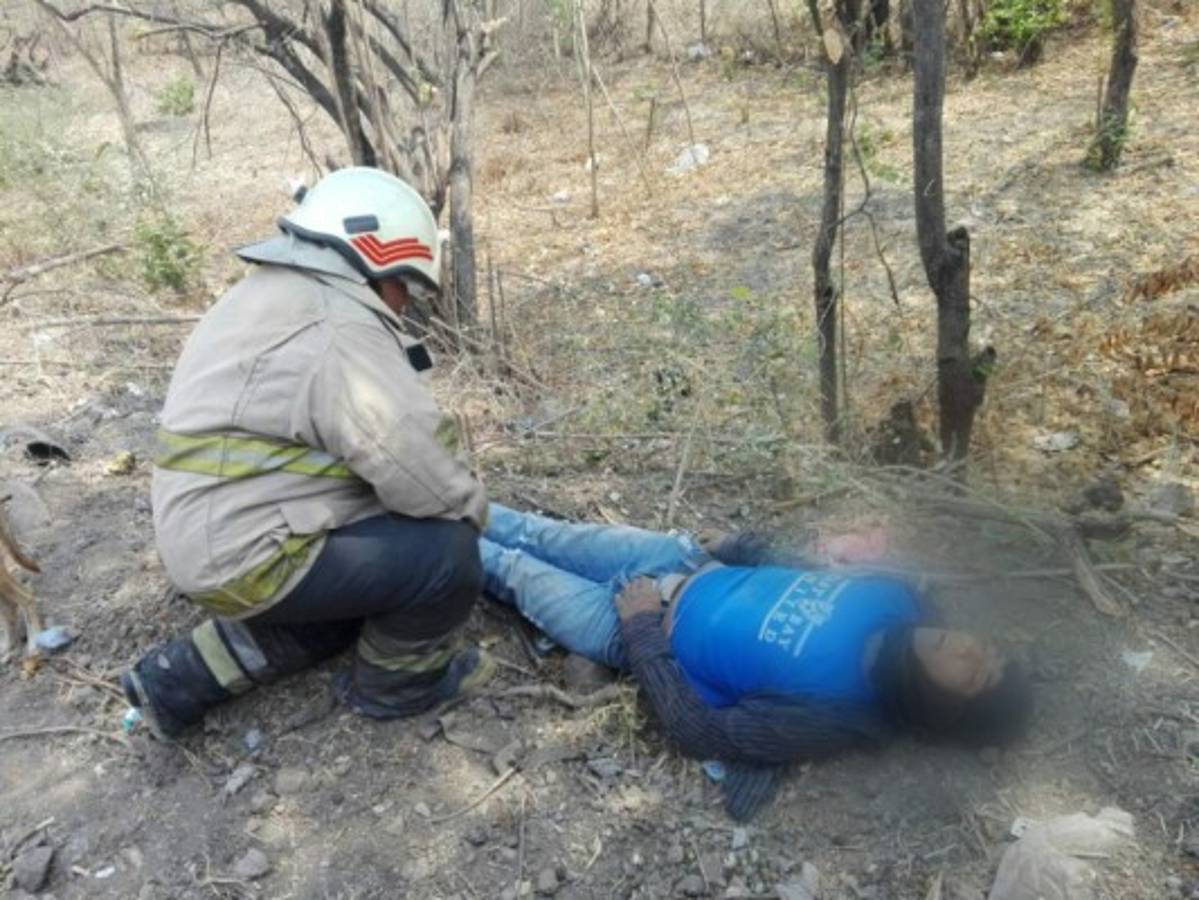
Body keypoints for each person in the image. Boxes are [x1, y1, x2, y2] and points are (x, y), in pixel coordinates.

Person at [122, 167, 491, 739]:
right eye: (405, 286)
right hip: (252, 550)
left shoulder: (265, 292)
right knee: (446, 557)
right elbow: (423, 473)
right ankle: (396, 688)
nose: (403, 304)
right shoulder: (336, 326)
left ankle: (180, 678)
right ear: (374, 260)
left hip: (209, 537)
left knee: (363, 597)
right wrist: (475, 519)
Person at [480, 504, 1031, 820]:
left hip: (623, 625)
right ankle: (417, 482)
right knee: (535, 531)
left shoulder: (841, 714)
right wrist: (737, 546)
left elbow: (701, 731)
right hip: (678, 559)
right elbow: (792, 569)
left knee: (509, 567)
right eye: (989, 649)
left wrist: (642, 626)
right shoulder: (902, 601)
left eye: (976, 675)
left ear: (944, 711)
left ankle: (406, 535)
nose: (970, 649)